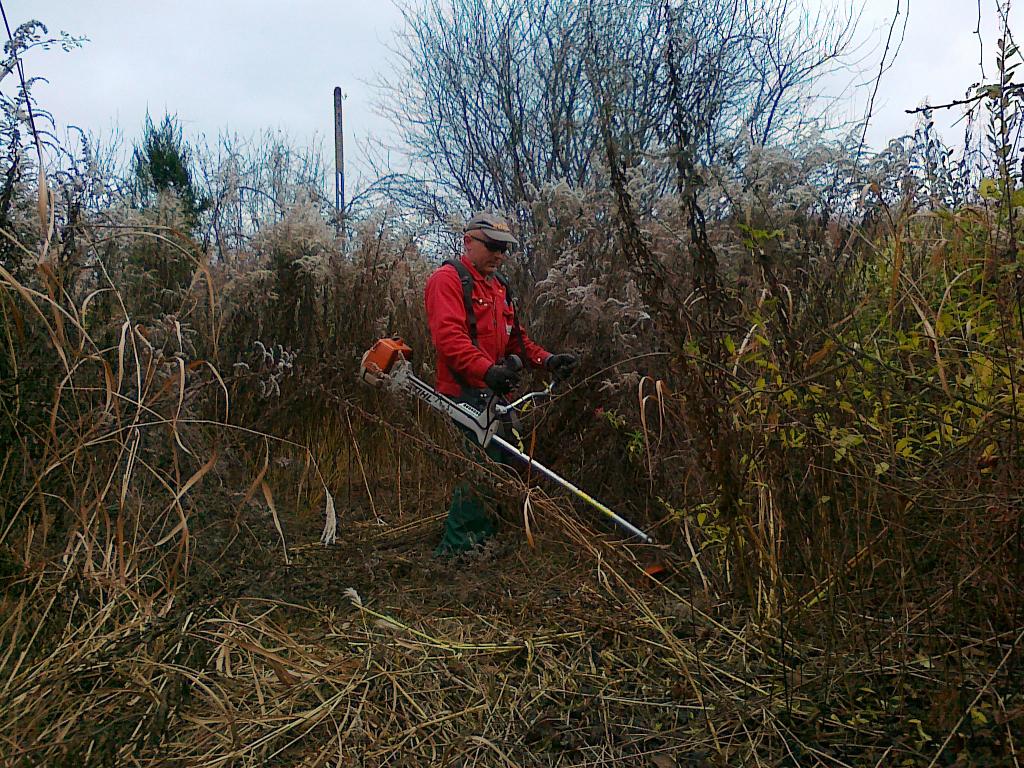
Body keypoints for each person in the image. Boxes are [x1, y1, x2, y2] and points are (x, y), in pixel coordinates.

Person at [424, 211, 578, 555]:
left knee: (505, 462)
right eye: (493, 246)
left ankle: (485, 533)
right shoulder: (447, 280)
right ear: (469, 241)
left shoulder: (498, 288)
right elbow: (449, 339)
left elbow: (516, 342)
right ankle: (459, 550)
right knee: (479, 467)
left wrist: (547, 360)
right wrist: (486, 370)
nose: (499, 255)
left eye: (504, 248)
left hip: (494, 393)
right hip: (463, 393)